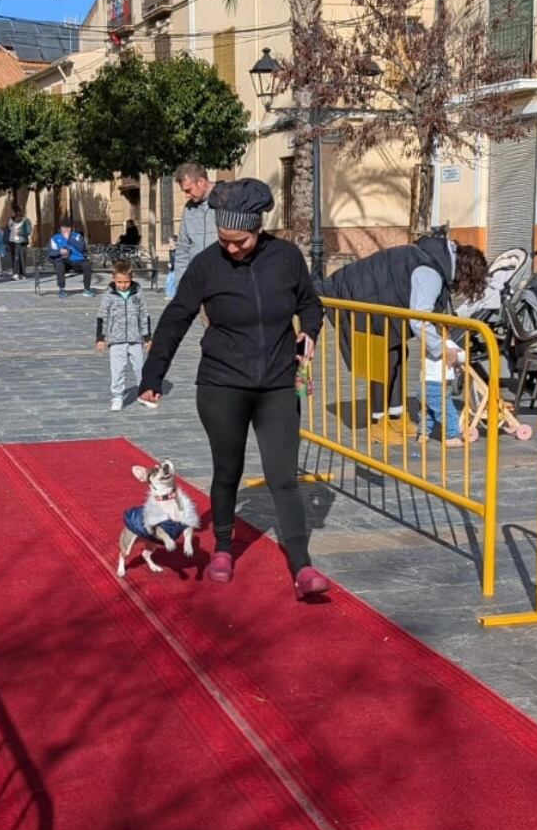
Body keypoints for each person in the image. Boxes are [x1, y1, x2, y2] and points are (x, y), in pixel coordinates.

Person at [139, 178, 330, 600]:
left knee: (283, 477)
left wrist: (311, 331)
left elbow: (309, 303)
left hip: (278, 382)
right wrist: (153, 377)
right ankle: (223, 548)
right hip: (222, 384)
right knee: (228, 470)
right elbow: (176, 318)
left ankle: (302, 566)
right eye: (225, 240)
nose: (231, 248)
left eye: (239, 241)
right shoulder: (207, 265)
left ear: (257, 229)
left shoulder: (286, 258)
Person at [322, 230, 461, 425]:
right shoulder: (430, 271)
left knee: (396, 352)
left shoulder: (428, 258)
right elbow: (420, 318)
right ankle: (379, 419)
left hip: (366, 297)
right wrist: (441, 349)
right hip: (356, 299)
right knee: (384, 358)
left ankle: (395, 414)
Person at [421, 246, 488, 442]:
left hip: (423, 382)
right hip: (439, 384)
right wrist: (463, 355)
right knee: (445, 409)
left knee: (426, 411)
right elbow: (459, 357)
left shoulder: (430, 341)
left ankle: (422, 435)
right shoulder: (446, 344)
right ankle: (451, 436)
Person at [97, 260, 154, 411]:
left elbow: (144, 315)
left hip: (136, 338)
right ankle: (117, 396)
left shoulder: (137, 292)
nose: (123, 285)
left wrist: (147, 337)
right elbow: (102, 316)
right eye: (119, 282)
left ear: (132, 278)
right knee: (117, 369)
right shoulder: (109, 294)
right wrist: (101, 338)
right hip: (116, 339)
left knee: (140, 368)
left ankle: (143, 393)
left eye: (126, 282)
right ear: (113, 279)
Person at [172, 162, 218, 281]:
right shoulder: (189, 209)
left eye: (188, 190)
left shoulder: (227, 200)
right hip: (197, 283)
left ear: (201, 182)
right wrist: (181, 289)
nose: (186, 196)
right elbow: (183, 250)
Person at [49, 217, 93, 298]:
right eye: (64, 228)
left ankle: (87, 289)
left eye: (68, 228)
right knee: (59, 263)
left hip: (77, 261)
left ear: (71, 228)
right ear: (60, 228)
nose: (66, 230)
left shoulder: (77, 236)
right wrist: (60, 252)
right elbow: (51, 252)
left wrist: (69, 239)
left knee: (87, 264)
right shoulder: (55, 238)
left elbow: (81, 248)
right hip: (63, 261)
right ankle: (62, 289)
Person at [6, 206, 31, 280]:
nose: (12, 214)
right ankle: (15, 273)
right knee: (15, 258)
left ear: (18, 212)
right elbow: (9, 229)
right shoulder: (11, 220)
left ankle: (22, 273)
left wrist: (20, 232)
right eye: (12, 212)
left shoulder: (25, 220)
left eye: (14, 212)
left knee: (21, 257)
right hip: (13, 241)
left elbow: (28, 231)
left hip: (22, 241)